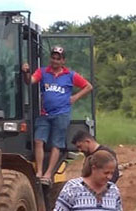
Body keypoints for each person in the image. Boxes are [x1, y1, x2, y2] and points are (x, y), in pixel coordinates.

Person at [22, 46, 93, 184]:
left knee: (56, 143)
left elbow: (88, 86)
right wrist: (26, 72)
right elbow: (30, 81)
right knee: (38, 140)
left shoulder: (70, 75)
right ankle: (39, 171)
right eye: (53, 58)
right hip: (45, 113)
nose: (54, 61)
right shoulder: (43, 72)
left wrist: (75, 97)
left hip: (61, 114)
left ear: (63, 61)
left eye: (58, 59)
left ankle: (48, 174)